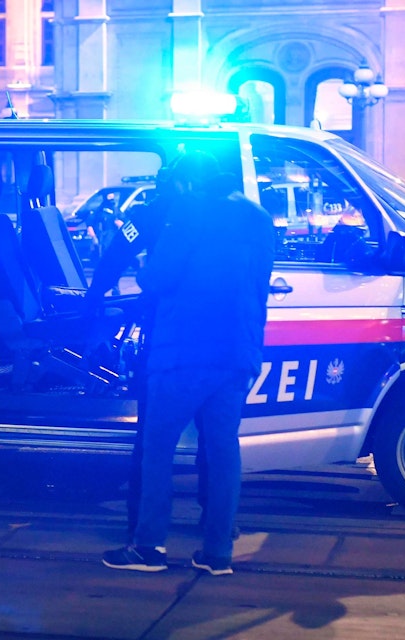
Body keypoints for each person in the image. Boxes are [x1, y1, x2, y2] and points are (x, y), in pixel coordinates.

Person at [101, 151, 274, 575]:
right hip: (238, 352)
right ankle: (218, 552)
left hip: (184, 353)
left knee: (157, 448)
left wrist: (143, 268)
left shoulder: (188, 210)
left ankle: (149, 547)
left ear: (188, 183)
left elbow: (158, 277)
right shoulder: (258, 217)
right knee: (223, 450)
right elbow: (260, 283)